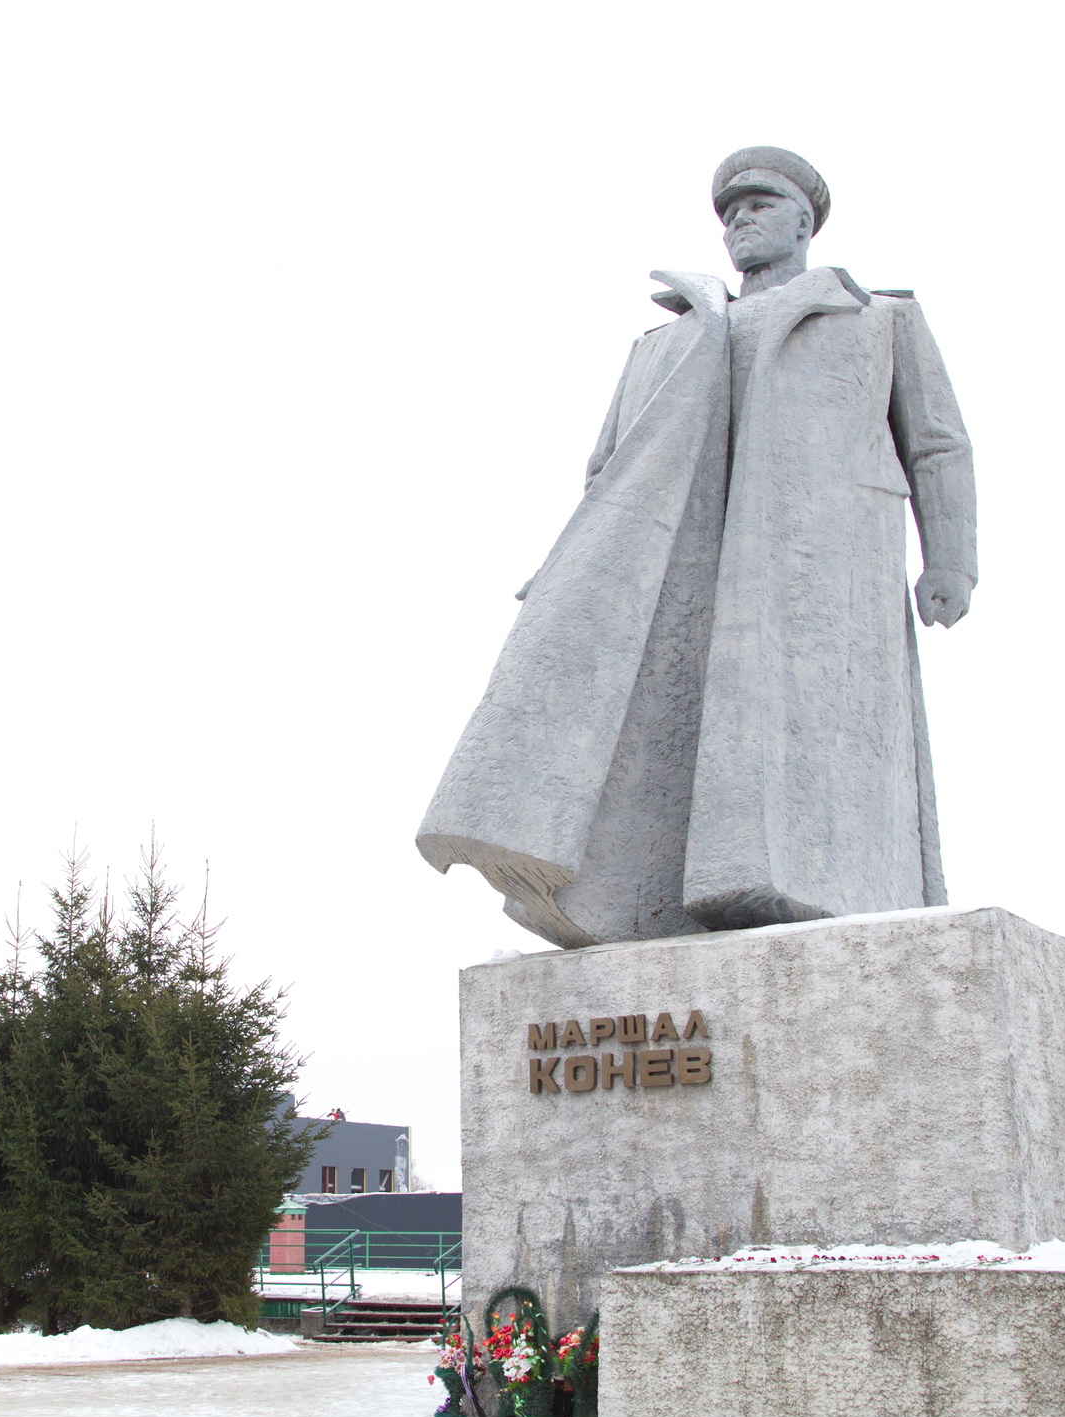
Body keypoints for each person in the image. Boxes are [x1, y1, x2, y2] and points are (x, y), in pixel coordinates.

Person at [418, 146, 977, 947]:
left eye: (759, 205)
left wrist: (951, 558)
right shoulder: (667, 337)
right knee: (659, 733)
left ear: (803, 220)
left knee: (805, 748)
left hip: (822, 567)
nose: (739, 222)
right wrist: (569, 564)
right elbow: (608, 470)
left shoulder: (877, 317)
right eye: (729, 213)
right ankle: (621, 893)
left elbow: (937, 444)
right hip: (687, 566)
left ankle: (800, 885)